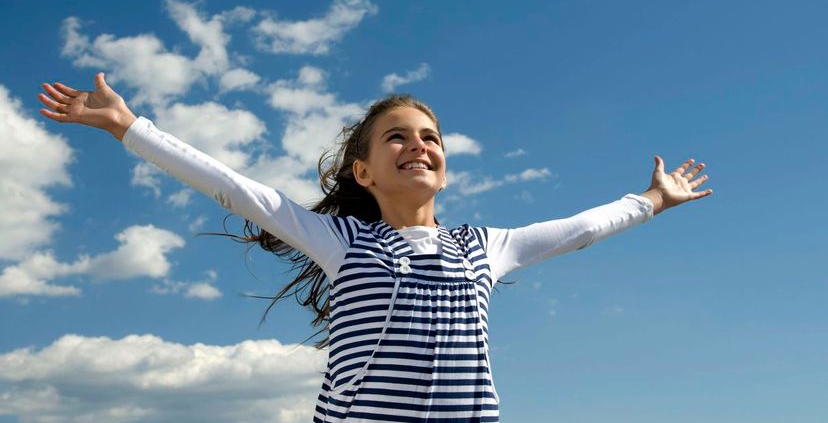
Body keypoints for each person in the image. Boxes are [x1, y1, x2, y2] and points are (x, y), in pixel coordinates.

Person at [38, 73, 712, 423]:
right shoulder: (342, 240)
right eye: (396, 136)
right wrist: (130, 126)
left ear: (444, 165)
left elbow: (580, 228)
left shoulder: (485, 246)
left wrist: (651, 200)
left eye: (429, 137)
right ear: (362, 171)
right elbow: (233, 188)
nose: (417, 143)